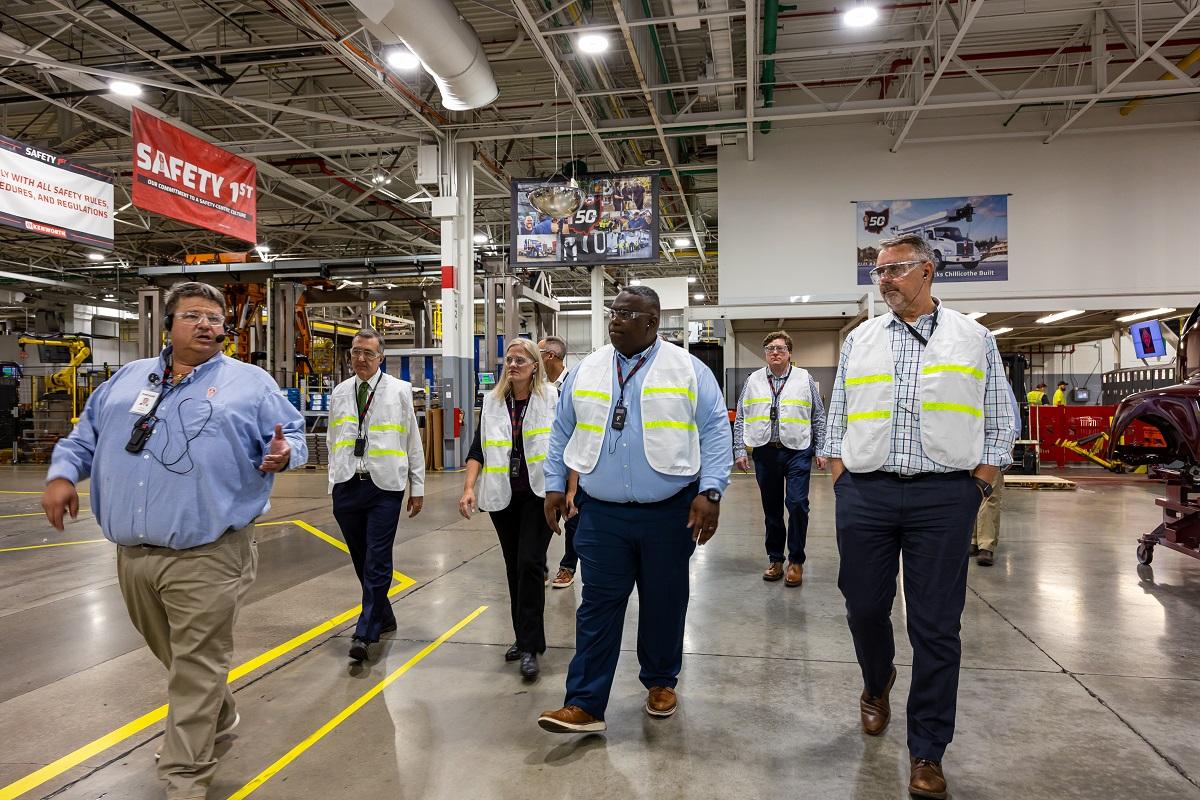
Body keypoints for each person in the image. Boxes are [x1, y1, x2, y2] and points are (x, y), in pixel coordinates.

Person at [41, 281, 306, 800]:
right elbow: (82, 438)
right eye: (193, 316)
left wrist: (284, 454)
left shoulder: (250, 384)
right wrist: (61, 474)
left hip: (210, 552)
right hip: (132, 554)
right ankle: (219, 712)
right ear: (168, 325)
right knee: (180, 657)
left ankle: (184, 776)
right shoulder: (126, 380)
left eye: (215, 318)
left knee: (197, 664)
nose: (207, 325)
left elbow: (291, 434)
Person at [823, 234, 1016, 799]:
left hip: (942, 497)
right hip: (868, 491)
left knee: (935, 626)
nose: (883, 279)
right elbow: (837, 415)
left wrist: (977, 485)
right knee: (863, 608)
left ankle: (927, 748)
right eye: (877, 271)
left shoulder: (972, 338)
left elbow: (1000, 417)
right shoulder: (860, 339)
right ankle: (877, 680)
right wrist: (841, 475)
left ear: (927, 272)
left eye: (895, 269)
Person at [536, 286, 732, 733]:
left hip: (669, 511)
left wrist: (712, 490)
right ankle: (584, 703)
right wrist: (552, 485)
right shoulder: (587, 369)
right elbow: (562, 429)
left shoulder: (687, 369)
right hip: (600, 512)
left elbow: (717, 432)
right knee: (597, 606)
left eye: (627, 314)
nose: (615, 320)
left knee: (664, 601)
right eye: (613, 312)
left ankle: (661, 681)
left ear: (653, 322)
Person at [459, 339, 558, 680]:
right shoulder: (492, 402)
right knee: (515, 566)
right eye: (509, 359)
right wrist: (470, 487)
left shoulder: (551, 399)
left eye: (520, 359)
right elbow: (478, 448)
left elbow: (565, 444)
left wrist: (571, 490)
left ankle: (531, 647)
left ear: (535, 365)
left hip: (540, 495)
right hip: (504, 496)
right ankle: (523, 637)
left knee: (531, 563)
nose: (513, 364)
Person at [327, 328, 425, 662]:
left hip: (385, 486)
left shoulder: (399, 390)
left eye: (368, 353)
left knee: (377, 558)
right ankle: (384, 614)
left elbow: (412, 438)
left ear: (381, 357)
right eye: (356, 352)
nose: (361, 358)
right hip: (347, 484)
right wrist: (333, 482)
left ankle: (365, 632)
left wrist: (418, 486)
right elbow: (332, 439)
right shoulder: (340, 392)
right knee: (361, 558)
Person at [734, 330, 828, 586]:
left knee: (797, 504)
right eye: (770, 349)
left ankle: (796, 561)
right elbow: (741, 416)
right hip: (765, 451)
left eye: (780, 348)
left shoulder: (803, 378)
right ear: (765, 353)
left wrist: (821, 450)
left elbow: (817, 415)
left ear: (789, 353)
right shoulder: (752, 380)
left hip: (798, 450)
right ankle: (776, 558)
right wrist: (740, 450)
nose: (775, 352)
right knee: (771, 510)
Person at [538, 336, 581, 590]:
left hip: (573, 466)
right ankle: (539, 567)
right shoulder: (540, 389)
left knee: (572, 518)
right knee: (543, 517)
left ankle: (567, 567)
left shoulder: (574, 384)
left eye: (538, 352)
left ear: (549, 356)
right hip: (548, 464)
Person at [972, 385, 1020, 567]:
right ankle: (972, 540)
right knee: (967, 493)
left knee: (988, 495)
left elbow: (1011, 417)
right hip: (966, 447)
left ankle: (986, 545)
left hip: (989, 448)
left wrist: (1009, 446)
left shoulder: (999, 382)